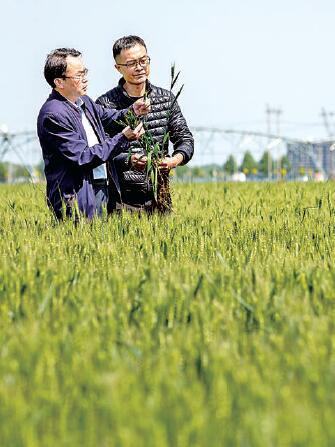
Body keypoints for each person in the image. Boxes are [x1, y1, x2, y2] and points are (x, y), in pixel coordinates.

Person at [37, 48, 150, 220]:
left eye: (85, 72)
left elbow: (109, 117)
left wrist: (132, 111)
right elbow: (82, 156)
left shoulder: (84, 101)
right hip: (77, 197)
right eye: (79, 75)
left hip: (99, 188)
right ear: (59, 82)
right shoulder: (53, 115)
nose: (85, 78)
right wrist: (123, 138)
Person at [96, 35, 194, 212]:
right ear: (118, 68)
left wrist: (174, 160)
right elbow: (100, 151)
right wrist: (129, 160)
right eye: (132, 63)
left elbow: (185, 139)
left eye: (144, 60)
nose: (140, 67)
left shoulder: (166, 99)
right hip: (121, 202)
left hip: (160, 198)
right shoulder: (105, 104)